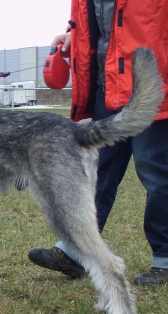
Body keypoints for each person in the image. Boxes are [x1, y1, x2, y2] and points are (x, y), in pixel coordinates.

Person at [28, 0, 168, 285]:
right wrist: (73, 34)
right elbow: (98, 23)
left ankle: (165, 258)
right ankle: (76, 251)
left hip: (152, 88)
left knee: (156, 173)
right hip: (107, 89)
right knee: (96, 174)